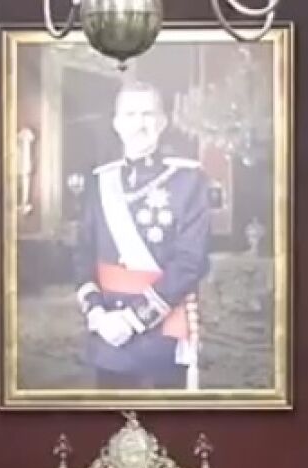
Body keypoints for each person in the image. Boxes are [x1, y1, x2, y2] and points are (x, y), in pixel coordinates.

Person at [73, 80, 211, 391]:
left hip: (161, 335)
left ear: (162, 122)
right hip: (108, 333)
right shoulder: (99, 181)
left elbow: (190, 262)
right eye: (130, 115)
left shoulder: (189, 180)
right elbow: (83, 254)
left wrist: (133, 320)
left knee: (165, 420)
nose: (139, 124)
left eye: (148, 114)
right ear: (117, 123)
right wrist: (97, 312)